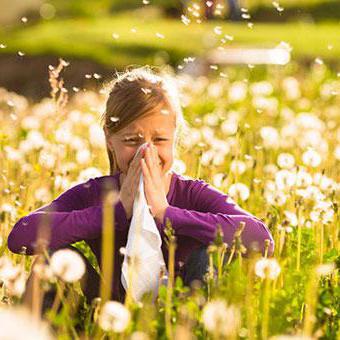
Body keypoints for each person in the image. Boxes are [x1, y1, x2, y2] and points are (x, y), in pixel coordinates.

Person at [7, 66, 274, 310]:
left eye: (159, 139)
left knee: (210, 256)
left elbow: (261, 239)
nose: (146, 152)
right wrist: (114, 212)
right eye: (132, 140)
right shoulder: (95, 193)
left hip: (185, 309)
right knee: (51, 258)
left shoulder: (191, 193)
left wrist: (166, 214)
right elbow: (21, 236)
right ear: (110, 140)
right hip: (108, 310)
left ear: (175, 138)